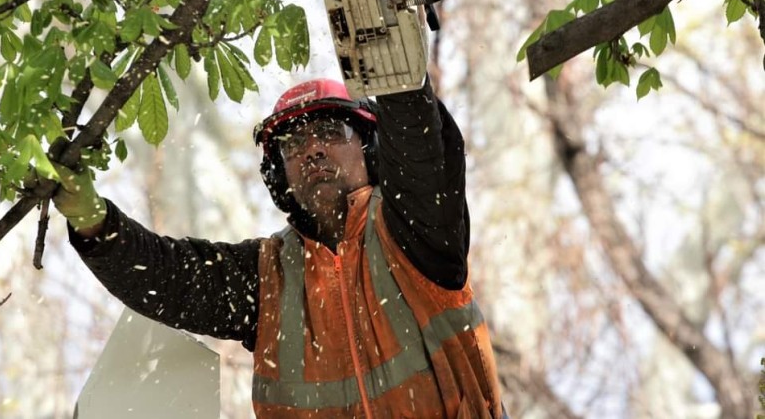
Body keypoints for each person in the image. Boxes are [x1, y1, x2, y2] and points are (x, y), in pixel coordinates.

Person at [54, 76, 509, 418]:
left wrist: (394, 66)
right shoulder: (268, 274)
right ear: (280, 177)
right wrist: (94, 222)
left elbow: (421, 150)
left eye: (331, 133)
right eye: (294, 144)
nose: (312, 150)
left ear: (370, 149)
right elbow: (169, 278)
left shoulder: (415, 228)